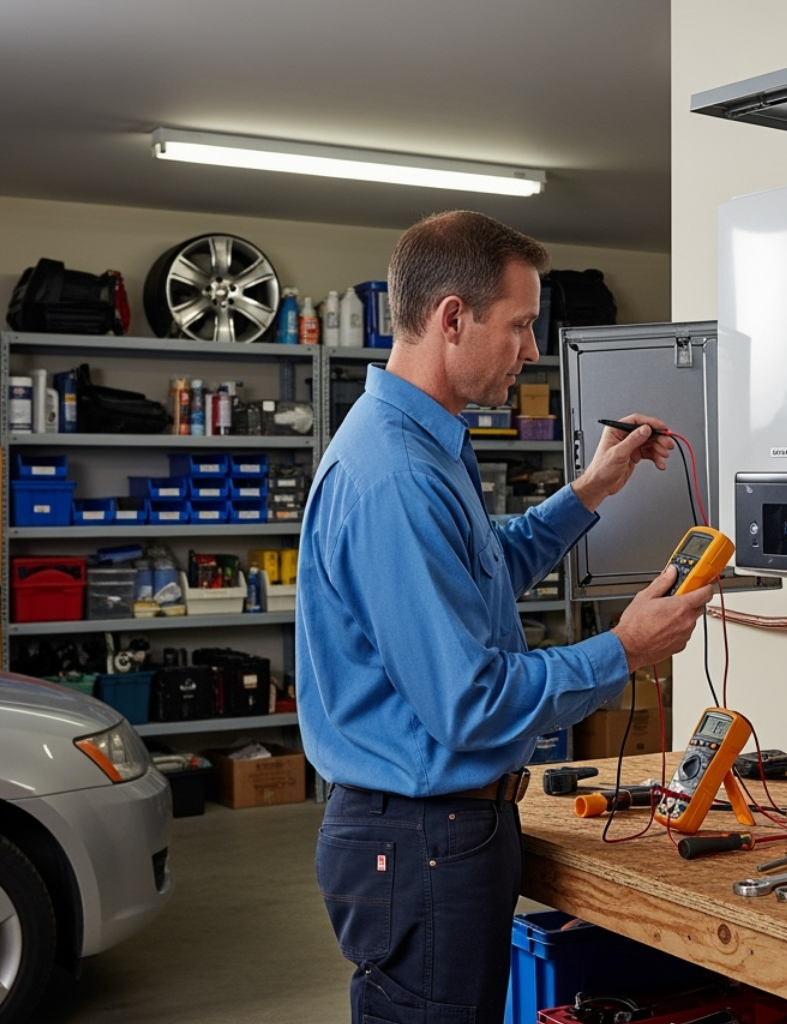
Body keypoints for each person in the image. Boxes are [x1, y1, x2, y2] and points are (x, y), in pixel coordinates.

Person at [296, 210, 712, 1024]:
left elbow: (485, 567)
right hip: (419, 842)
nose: (531, 349)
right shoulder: (395, 477)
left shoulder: (426, 445)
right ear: (453, 318)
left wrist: (590, 490)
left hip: (436, 835)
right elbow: (470, 703)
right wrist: (623, 649)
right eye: (521, 326)